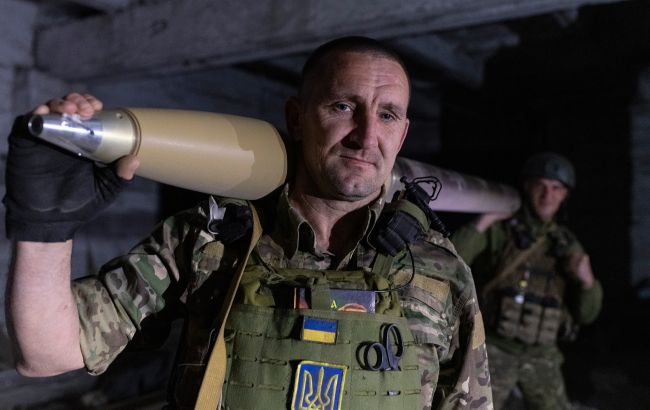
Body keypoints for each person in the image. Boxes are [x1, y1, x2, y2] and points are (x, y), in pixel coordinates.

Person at [4, 37, 492, 409]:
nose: (366, 136)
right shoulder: (211, 239)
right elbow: (45, 353)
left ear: (402, 134)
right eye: (344, 106)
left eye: (387, 115)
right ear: (297, 118)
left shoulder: (439, 269)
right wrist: (44, 228)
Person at [451, 152, 603, 410]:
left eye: (556, 188)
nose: (547, 195)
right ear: (527, 186)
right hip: (494, 348)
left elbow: (587, 315)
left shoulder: (566, 244)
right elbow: (452, 261)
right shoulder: (501, 231)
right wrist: (483, 222)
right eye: (540, 185)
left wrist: (588, 283)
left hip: (542, 353)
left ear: (565, 195)